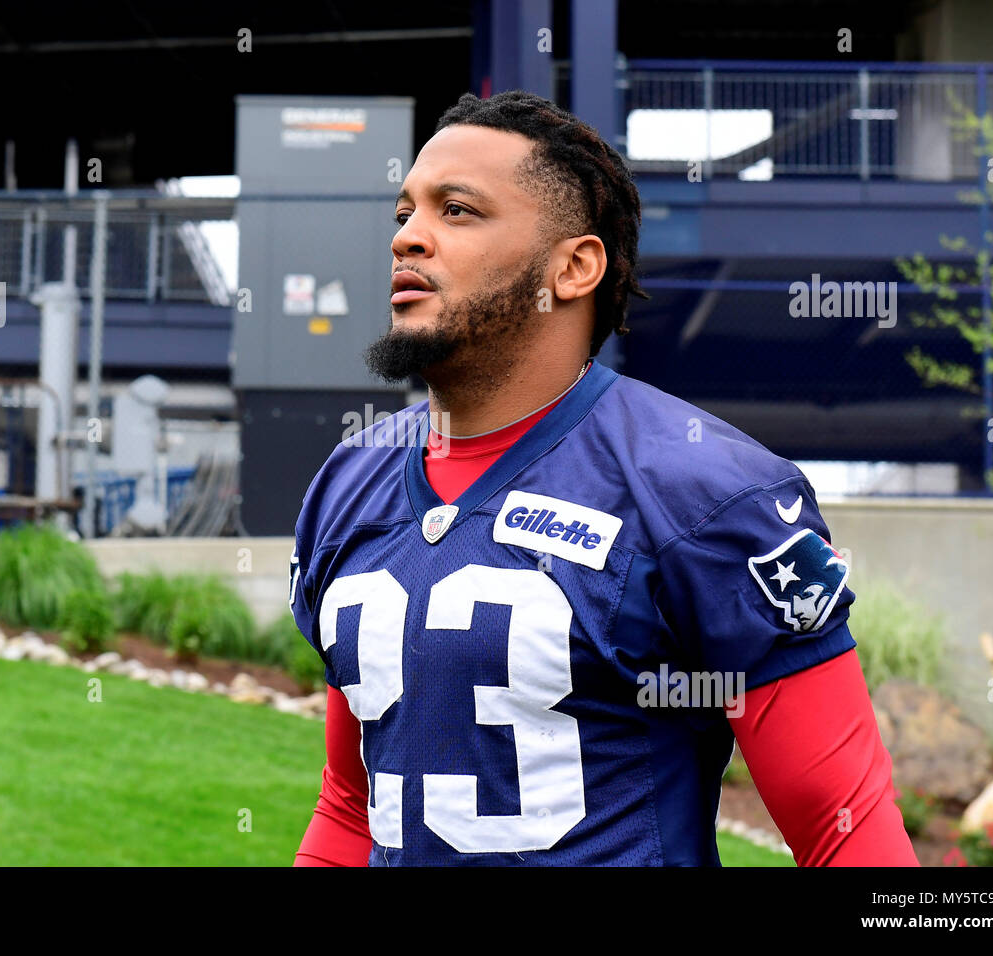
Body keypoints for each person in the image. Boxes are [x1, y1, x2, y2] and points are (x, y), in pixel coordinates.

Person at [290, 90, 918, 866]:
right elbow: (352, 809)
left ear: (574, 266)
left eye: (455, 211)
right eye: (404, 214)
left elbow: (841, 827)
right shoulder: (348, 485)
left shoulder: (704, 489)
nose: (408, 239)